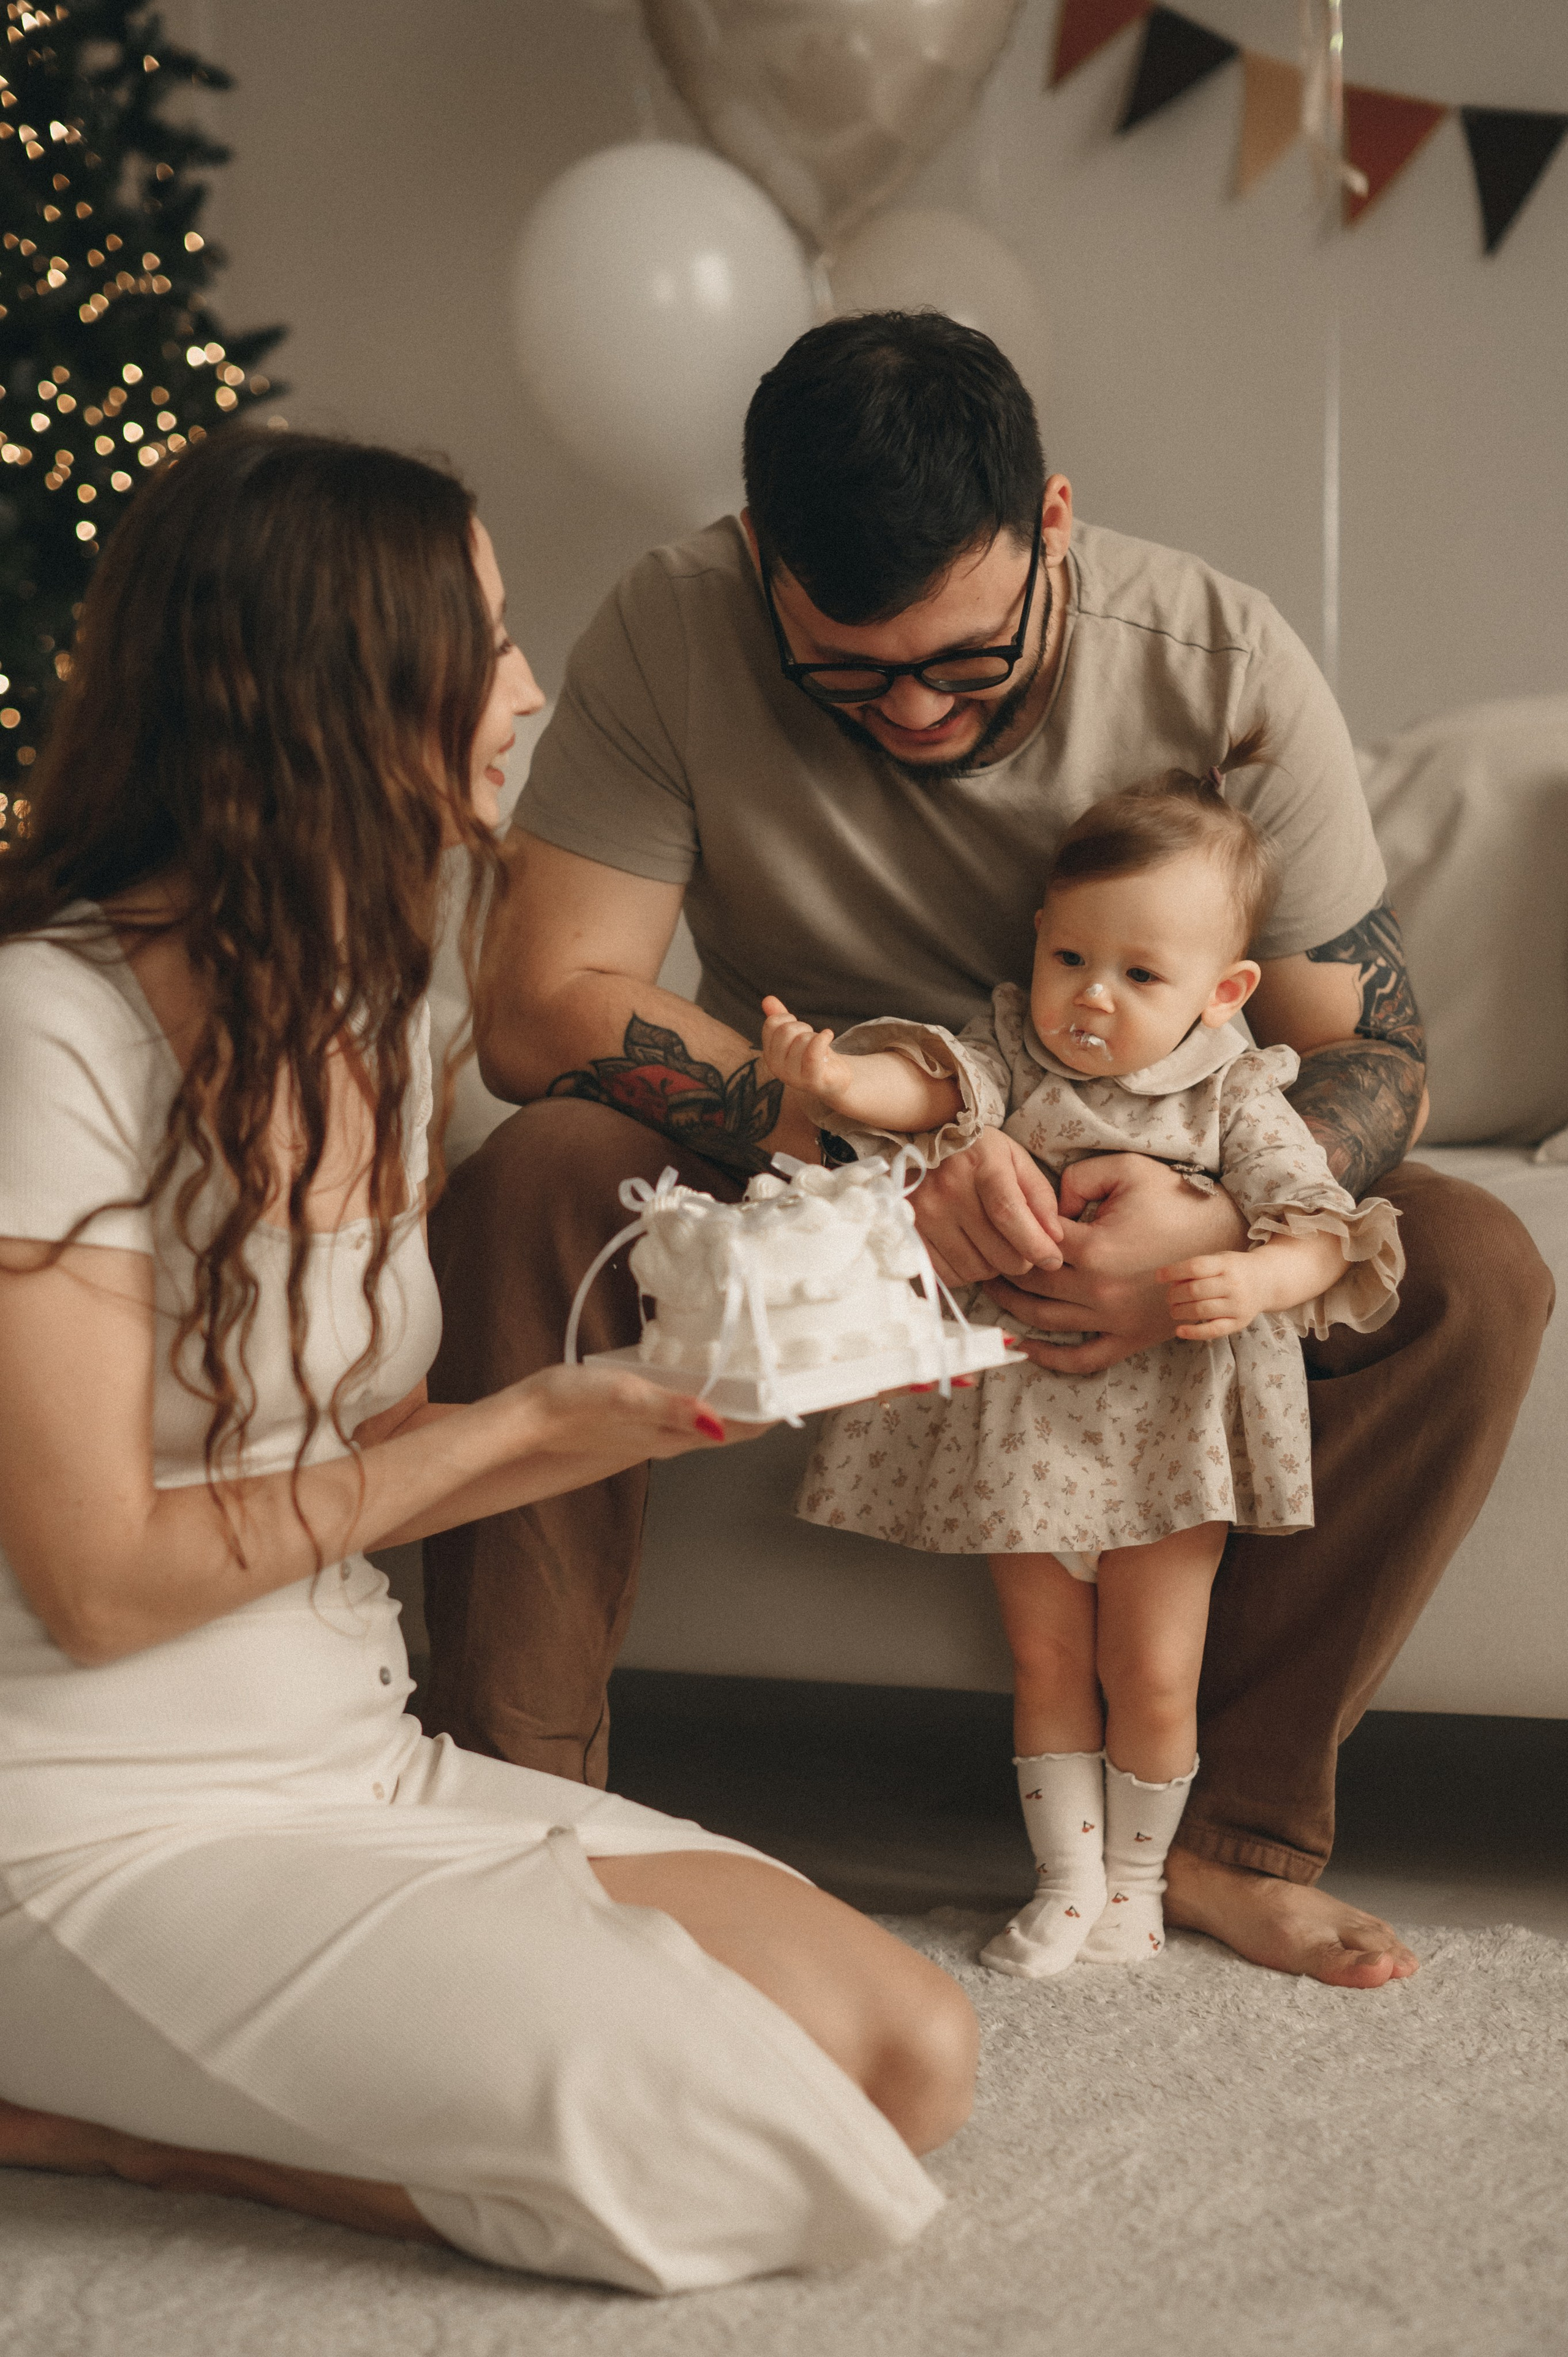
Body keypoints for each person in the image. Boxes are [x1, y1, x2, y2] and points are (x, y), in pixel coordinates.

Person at [428, 308, 1553, 1991]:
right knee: (535, 1181)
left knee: (1472, 1273)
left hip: (1163, 1161)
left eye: (965, 663)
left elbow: (1370, 1047)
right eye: (847, 672)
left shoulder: (1221, 660)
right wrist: (892, 1166)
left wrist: (1205, 1215)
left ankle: (1229, 1839)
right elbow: (538, 1009)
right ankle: (521, 1819)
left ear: (1052, 527)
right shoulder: (675, 623)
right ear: (761, 557)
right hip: (821, 1141)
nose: (912, 711)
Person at [0, 428, 976, 2291]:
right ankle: (119, 2131)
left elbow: (379, 1453)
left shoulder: (368, 1003)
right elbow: (102, 1583)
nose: (525, 688)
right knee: (731, 2152)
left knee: (906, 2056)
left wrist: (678, 1406)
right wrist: (519, 1424)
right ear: (338, 688)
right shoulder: (44, 1027)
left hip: (346, 1756)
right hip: (82, 1808)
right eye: (490, 636)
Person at [760, 745, 1404, 1978]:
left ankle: (1138, 1882)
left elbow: (1321, 1225)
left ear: (1224, 990)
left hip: (1169, 1427)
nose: (1091, 999)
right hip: (1026, 1417)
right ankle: (1064, 1880)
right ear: (1039, 941)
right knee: (1046, 1660)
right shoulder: (1012, 1049)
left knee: (1152, 1671)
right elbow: (929, 1088)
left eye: (1139, 974)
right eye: (1070, 959)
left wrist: (1257, 1276)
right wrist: (837, 1075)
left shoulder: (1233, 1091)